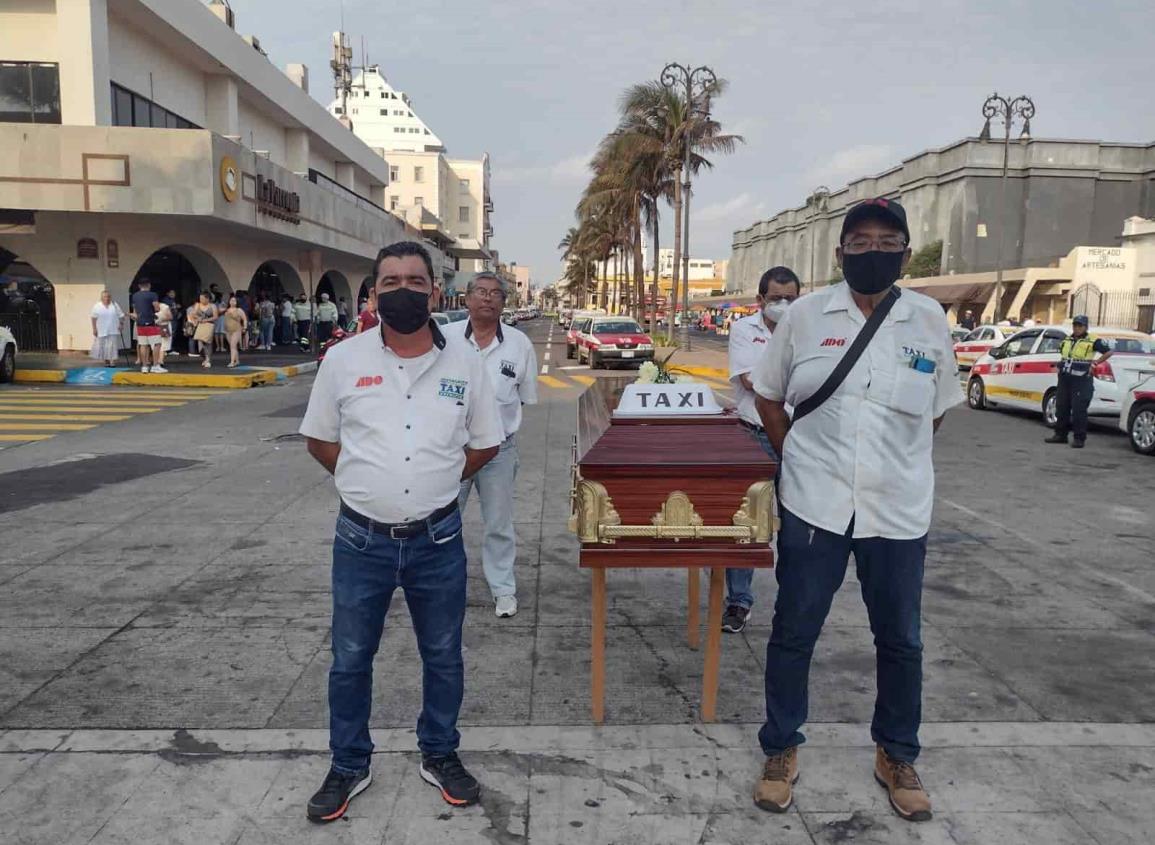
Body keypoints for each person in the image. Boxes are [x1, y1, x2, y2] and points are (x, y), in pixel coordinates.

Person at [750, 198, 964, 822]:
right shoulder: (807, 316)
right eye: (861, 241)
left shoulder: (928, 319)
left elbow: (937, 408)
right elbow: (767, 396)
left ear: (904, 248)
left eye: (887, 240)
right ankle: (780, 748)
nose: (875, 251)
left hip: (897, 510)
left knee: (901, 640)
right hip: (815, 505)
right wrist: (799, 459)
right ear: (840, 252)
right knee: (794, 633)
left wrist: (897, 461)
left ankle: (896, 753)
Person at [300, 241, 502, 823]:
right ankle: (348, 763)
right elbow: (319, 438)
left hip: (437, 540)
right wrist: (366, 481)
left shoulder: (467, 363)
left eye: (417, 281)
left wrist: (437, 482)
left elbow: (485, 442)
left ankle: (439, 753)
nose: (404, 291)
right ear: (373, 293)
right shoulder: (343, 359)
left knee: (442, 655)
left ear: (436, 292)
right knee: (349, 658)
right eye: (391, 282)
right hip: (359, 541)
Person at [448, 272, 539, 618]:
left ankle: (503, 590)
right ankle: (443, 587)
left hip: (499, 452)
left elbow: (525, 397)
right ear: (468, 298)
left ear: (504, 303)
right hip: (451, 451)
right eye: (481, 292)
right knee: (443, 523)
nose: (487, 298)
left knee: (499, 525)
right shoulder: (444, 339)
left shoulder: (519, 345)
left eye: (495, 294)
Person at [721, 266, 800, 634]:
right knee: (746, 524)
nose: (783, 305)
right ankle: (739, 601)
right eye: (776, 299)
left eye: (790, 298)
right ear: (760, 300)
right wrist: (796, 386)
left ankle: (794, 601)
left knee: (798, 522)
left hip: (799, 439)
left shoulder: (807, 330)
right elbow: (752, 382)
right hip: (753, 435)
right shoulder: (743, 330)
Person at [1044, 314, 1111, 449]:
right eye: (1075, 325)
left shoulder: (1093, 340)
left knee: (1079, 409)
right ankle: (1060, 435)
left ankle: (1079, 438)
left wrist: (1096, 362)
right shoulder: (1068, 339)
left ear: (1085, 327)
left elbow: (1109, 352)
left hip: (1081, 379)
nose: (1077, 328)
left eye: (1080, 326)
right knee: (1062, 406)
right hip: (1065, 378)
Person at [130, 278, 166, 374]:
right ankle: (155, 365)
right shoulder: (152, 295)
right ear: (149, 285)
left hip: (140, 323)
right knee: (157, 344)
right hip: (151, 322)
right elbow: (157, 307)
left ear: (139, 286)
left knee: (143, 344)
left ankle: (144, 366)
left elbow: (135, 310)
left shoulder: (135, 296)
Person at [89, 290, 125, 367]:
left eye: (108, 297)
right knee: (104, 346)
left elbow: (121, 316)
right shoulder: (97, 306)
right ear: (101, 298)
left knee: (112, 346)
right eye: (105, 297)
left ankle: (112, 361)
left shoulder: (114, 305)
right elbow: (93, 318)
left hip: (113, 329)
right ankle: (106, 361)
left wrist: (121, 324)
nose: (107, 298)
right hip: (101, 329)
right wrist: (94, 329)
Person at [189, 292, 218, 368]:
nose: (201, 300)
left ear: (207, 299)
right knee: (200, 344)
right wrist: (197, 318)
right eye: (200, 298)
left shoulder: (212, 306)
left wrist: (206, 320)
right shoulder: (197, 305)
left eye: (202, 298)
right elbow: (193, 314)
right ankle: (204, 357)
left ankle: (208, 359)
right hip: (200, 325)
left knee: (208, 342)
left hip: (209, 325)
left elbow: (215, 316)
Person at [223, 295, 247, 368]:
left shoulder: (239, 310)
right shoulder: (227, 310)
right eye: (231, 300)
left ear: (237, 302)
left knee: (233, 346)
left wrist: (245, 327)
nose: (232, 302)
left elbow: (244, 319)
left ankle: (232, 362)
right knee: (233, 346)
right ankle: (237, 360)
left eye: (234, 301)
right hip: (227, 330)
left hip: (236, 329)